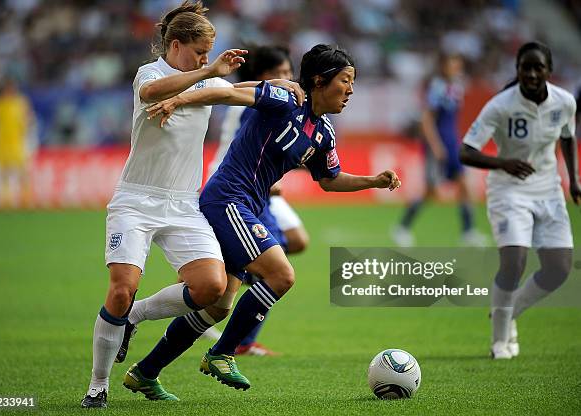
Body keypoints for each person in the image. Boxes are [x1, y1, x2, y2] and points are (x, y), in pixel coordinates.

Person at [135, 44, 401, 392]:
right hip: (227, 198)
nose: (351, 89)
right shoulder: (286, 99)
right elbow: (230, 92)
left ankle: (145, 372)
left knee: (218, 306)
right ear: (320, 80)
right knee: (281, 275)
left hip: (249, 205)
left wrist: (373, 180)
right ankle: (222, 353)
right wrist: (177, 100)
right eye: (346, 80)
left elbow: (329, 180)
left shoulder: (324, 132)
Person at [80, 1, 251, 408]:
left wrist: (285, 89)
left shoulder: (203, 80)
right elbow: (151, 93)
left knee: (212, 286)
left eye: (209, 55)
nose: (206, 61)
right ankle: (97, 386)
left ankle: (133, 319)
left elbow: (241, 94)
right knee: (121, 290)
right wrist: (209, 72)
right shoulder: (152, 72)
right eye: (199, 53)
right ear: (176, 46)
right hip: (135, 200)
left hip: (183, 204)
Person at [459, 41, 579, 359]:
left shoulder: (565, 102)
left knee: (559, 268)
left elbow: (567, 137)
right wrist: (503, 163)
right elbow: (466, 150)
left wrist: (575, 182)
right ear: (517, 70)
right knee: (514, 261)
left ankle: (509, 311)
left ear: (548, 71)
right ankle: (500, 341)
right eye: (525, 67)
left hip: (549, 190)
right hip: (508, 190)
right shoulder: (500, 106)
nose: (531, 73)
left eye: (538, 67)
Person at [206, 44, 309, 356]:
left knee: (296, 241)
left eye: (288, 72)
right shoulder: (253, 104)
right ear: (262, 77)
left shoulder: (277, 101)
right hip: (239, 187)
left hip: (260, 189)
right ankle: (243, 342)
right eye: (278, 74)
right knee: (274, 269)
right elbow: (248, 148)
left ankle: (238, 264)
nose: (287, 79)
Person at [392, 53, 485, 247]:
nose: (455, 69)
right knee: (431, 192)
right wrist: (436, 146)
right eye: (452, 65)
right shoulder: (437, 87)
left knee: (465, 186)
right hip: (439, 145)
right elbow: (427, 120)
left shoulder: (457, 87)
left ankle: (468, 232)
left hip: (453, 144)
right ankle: (402, 227)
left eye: (457, 65)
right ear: (443, 66)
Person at [0, 77, 36, 208]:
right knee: (4, 172)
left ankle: (26, 199)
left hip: (18, 142)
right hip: (2, 143)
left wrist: (31, 139)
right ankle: (5, 200)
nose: (9, 91)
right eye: (7, 88)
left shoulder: (21, 103)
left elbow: (29, 121)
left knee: (23, 171)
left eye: (11, 88)